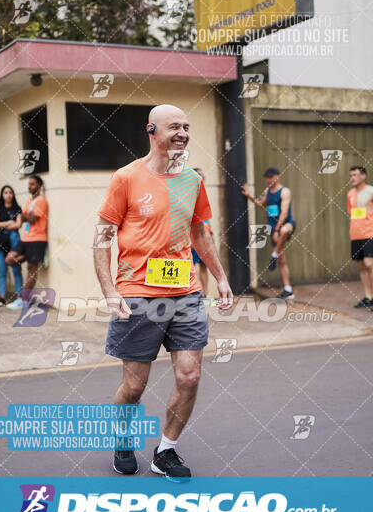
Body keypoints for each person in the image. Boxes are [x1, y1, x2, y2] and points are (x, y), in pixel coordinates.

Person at [94, 104, 233, 481]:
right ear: (152, 130)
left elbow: (199, 233)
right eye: (175, 126)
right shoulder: (126, 178)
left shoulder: (191, 180)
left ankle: (165, 451)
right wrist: (109, 290)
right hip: (138, 292)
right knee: (135, 384)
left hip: (185, 291)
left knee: (189, 377)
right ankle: (122, 438)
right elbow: (103, 238)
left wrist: (219, 276)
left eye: (187, 127)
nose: (183, 133)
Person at [242, 167, 296, 300]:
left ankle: (273, 255)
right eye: (267, 177)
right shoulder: (267, 191)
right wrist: (248, 195)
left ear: (277, 177)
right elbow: (261, 204)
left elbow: (284, 212)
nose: (268, 179)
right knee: (282, 260)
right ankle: (288, 289)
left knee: (284, 230)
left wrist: (277, 229)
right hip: (272, 228)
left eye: (271, 177)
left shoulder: (285, 192)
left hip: (285, 224)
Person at [5, 175, 48, 310]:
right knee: (10, 259)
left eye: (33, 184)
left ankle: (23, 300)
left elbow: (32, 218)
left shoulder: (41, 201)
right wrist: (25, 216)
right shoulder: (30, 200)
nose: (30, 186)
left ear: (40, 186)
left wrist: (24, 215)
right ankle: (30, 258)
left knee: (32, 271)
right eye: (29, 184)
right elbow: (24, 218)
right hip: (26, 239)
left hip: (37, 240)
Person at [0, 185, 23, 307]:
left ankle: (19, 296)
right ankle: (2, 297)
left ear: (13, 194)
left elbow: (19, 225)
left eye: (10, 192)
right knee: (2, 269)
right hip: (0, 242)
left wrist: (3, 225)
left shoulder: (17, 208)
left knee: (16, 268)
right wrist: (10, 222)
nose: (8, 194)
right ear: (2, 195)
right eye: (5, 192)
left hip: (14, 241)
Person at [347, 166, 373, 309]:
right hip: (356, 235)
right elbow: (353, 213)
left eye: (355, 175)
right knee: (361, 266)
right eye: (351, 175)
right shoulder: (350, 194)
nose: (352, 178)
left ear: (363, 176)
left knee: (370, 264)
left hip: (370, 233)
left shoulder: (371, 191)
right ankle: (368, 297)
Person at [191, 168, 214, 298]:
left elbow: (206, 218)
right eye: (199, 176)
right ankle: (195, 295)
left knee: (204, 265)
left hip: (204, 236)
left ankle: (206, 294)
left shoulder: (203, 195)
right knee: (190, 268)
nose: (202, 179)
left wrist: (211, 235)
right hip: (192, 238)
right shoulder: (188, 195)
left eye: (203, 176)